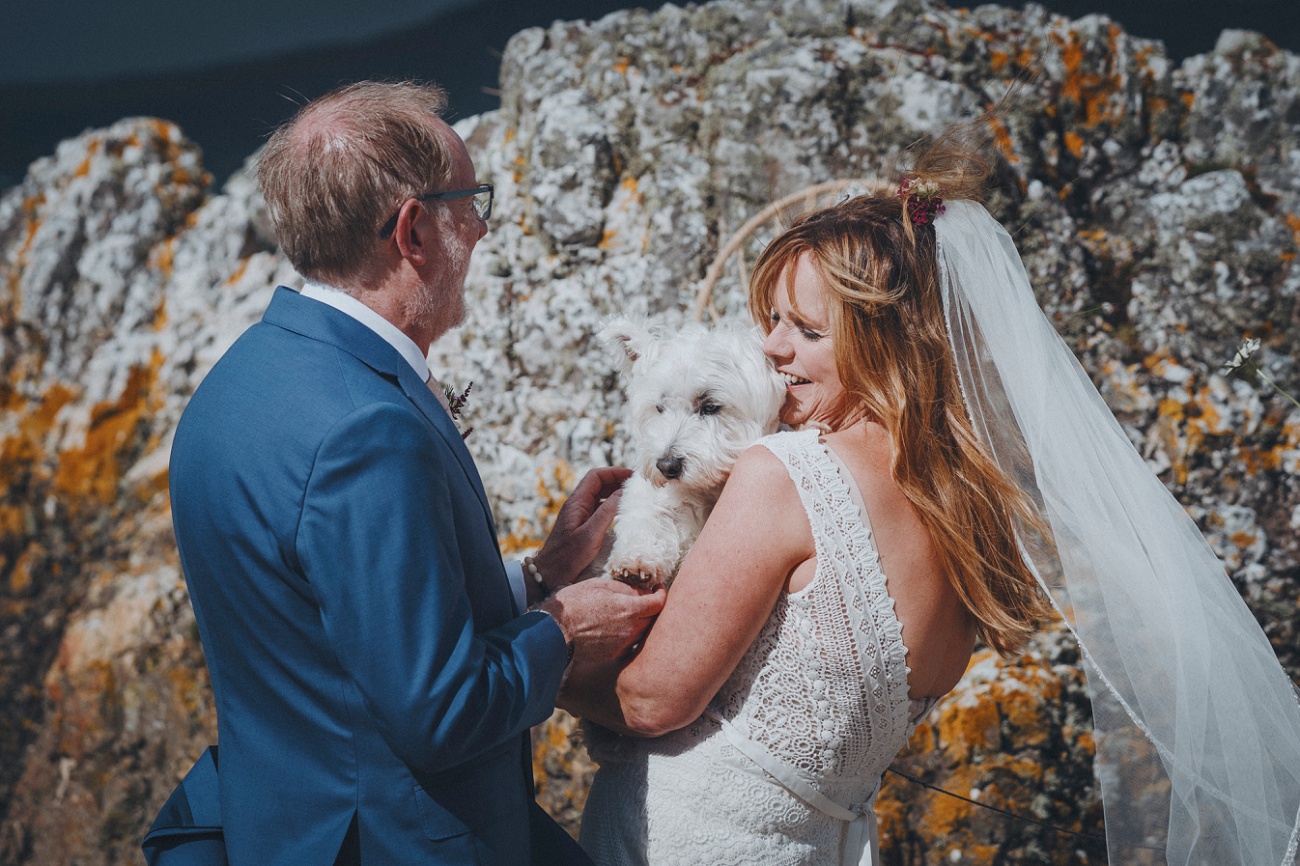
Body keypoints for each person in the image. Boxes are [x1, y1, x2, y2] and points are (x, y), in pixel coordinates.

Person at [568, 127, 1300, 866]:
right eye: (773, 319)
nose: (772, 347)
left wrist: (531, 671)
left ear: (887, 338)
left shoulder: (783, 474)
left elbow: (653, 701)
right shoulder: (970, 512)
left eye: (808, 329)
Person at [144, 80, 665, 866]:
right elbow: (442, 710)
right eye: (471, 201)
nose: (484, 227)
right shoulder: (368, 428)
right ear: (413, 230)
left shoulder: (238, 382)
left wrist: (540, 574)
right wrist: (563, 627)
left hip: (286, 825)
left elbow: (338, 626)